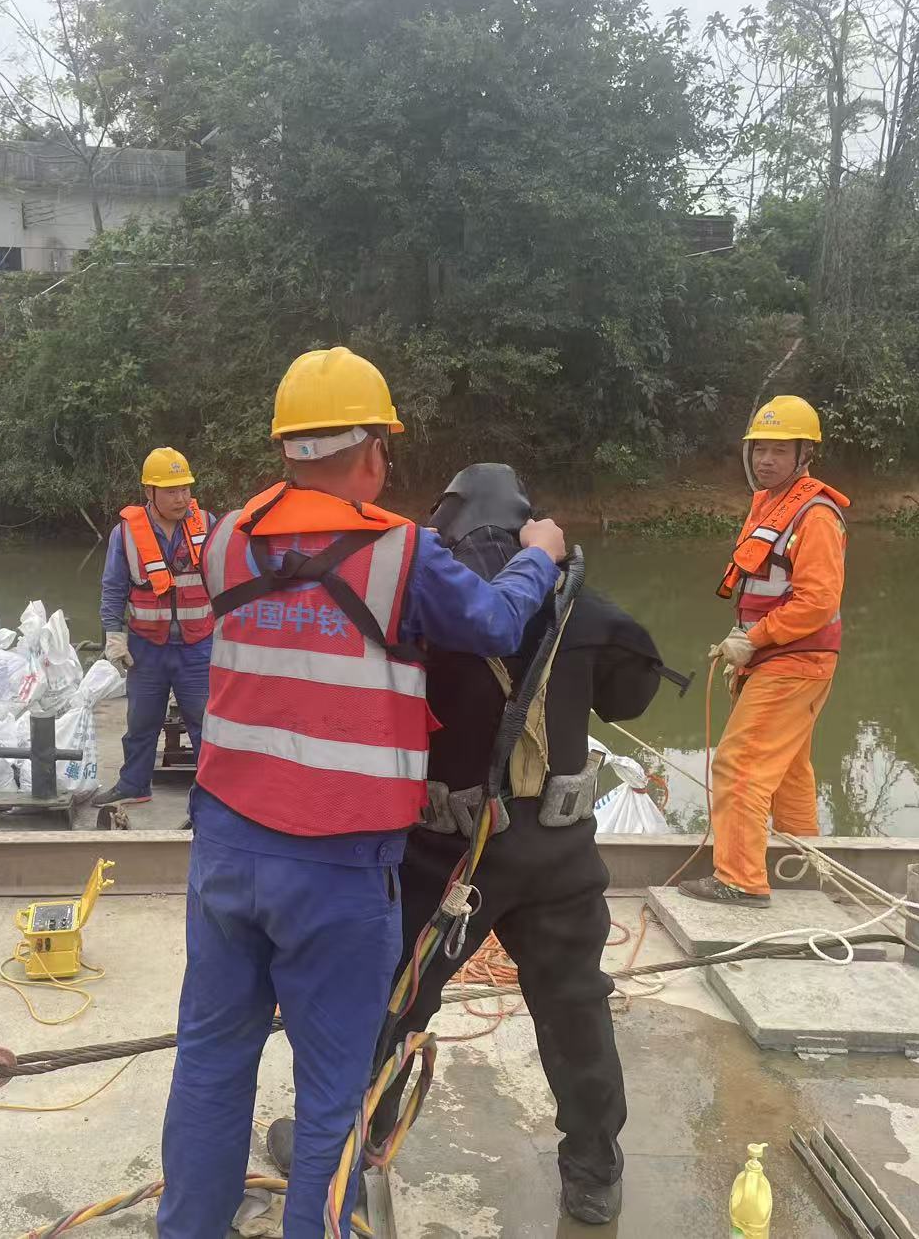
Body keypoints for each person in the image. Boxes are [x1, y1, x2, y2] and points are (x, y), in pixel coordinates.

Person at [156, 349, 567, 1239]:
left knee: (210, 1061)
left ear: (286, 446)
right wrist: (539, 555)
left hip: (225, 852)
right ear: (376, 451)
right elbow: (498, 622)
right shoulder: (401, 554)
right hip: (338, 870)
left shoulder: (223, 538)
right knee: (333, 1090)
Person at [267, 463, 671, 1227]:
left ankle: (356, 1141)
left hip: (446, 859)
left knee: (391, 999)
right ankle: (593, 1171)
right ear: (530, 527)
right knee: (575, 1005)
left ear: (444, 530)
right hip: (558, 857)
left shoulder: (427, 607)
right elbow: (634, 693)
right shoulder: (583, 606)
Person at [680, 395, 848, 908]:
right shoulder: (772, 505)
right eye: (760, 449)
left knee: (739, 765)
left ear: (804, 454)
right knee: (789, 768)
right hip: (779, 659)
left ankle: (740, 880)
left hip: (794, 662)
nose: (766, 460)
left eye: (779, 450)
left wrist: (753, 639)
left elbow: (818, 601)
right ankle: (803, 864)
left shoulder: (815, 516)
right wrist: (747, 643)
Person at [94, 447, 215, 807]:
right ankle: (134, 784)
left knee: (206, 723)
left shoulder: (208, 524)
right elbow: (114, 588)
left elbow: (228, 580)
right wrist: (114, 636)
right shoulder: (126, 534)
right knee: (141, 722)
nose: (181, 499)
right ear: (149, 491)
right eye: (171, 491)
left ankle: (212, 794)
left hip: (198, 645)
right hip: (147, 647)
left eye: (185, 489)